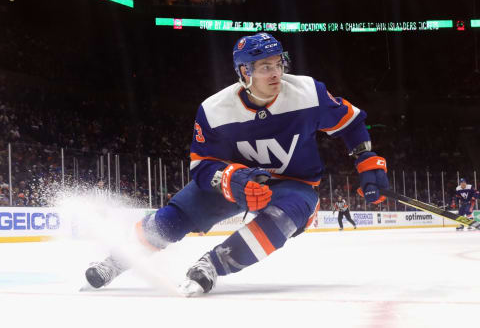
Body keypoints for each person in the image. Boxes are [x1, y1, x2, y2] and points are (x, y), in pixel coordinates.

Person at [84, 33, 389, 296]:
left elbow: (350, 123)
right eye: (265, 67)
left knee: (282, 217)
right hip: (240, 182)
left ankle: (212, 266)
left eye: (278, 63)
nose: (276, 74)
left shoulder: (309, 93)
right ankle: (117, 260)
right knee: (174, 217)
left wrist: (367, 162)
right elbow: (201, 167)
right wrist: (232, 179)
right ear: (245, 72)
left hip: (296, 184)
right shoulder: (214, 110)